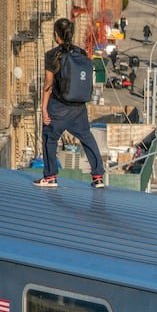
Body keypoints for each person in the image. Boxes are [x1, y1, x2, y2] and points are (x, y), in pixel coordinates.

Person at [35, 18, 106, 189]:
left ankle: (50, 177)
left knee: (49, 138)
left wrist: (44, 108)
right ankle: (98, 176)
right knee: (87, 138)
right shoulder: (81, 53)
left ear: (56, 35)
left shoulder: (52, 55)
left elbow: (48, 84)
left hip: (58, 107)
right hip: (78, 107)